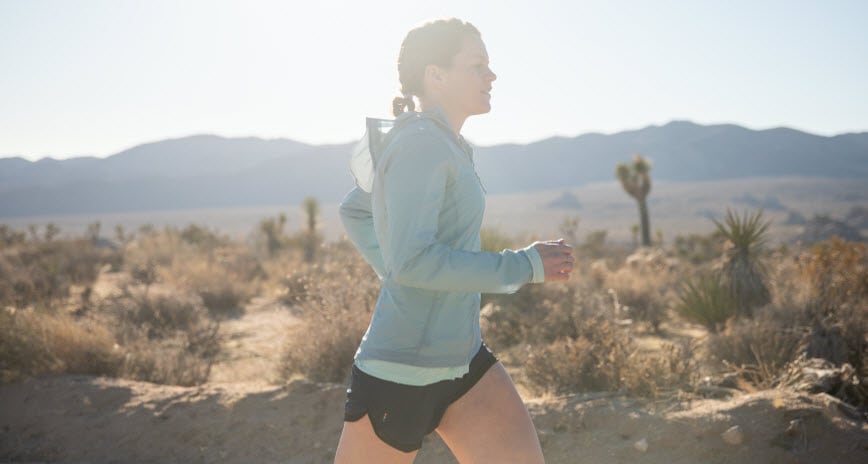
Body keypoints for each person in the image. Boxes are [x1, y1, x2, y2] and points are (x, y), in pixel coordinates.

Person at [334, 18, 574, 464]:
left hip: (462, 359)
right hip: (399, 371)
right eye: (477, 65)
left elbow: (358, 209)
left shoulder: (447, 144)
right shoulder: (420, 144)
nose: (491, 75)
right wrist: (525, 265)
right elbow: (410, 257)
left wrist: (399, 269)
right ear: (435, 74)